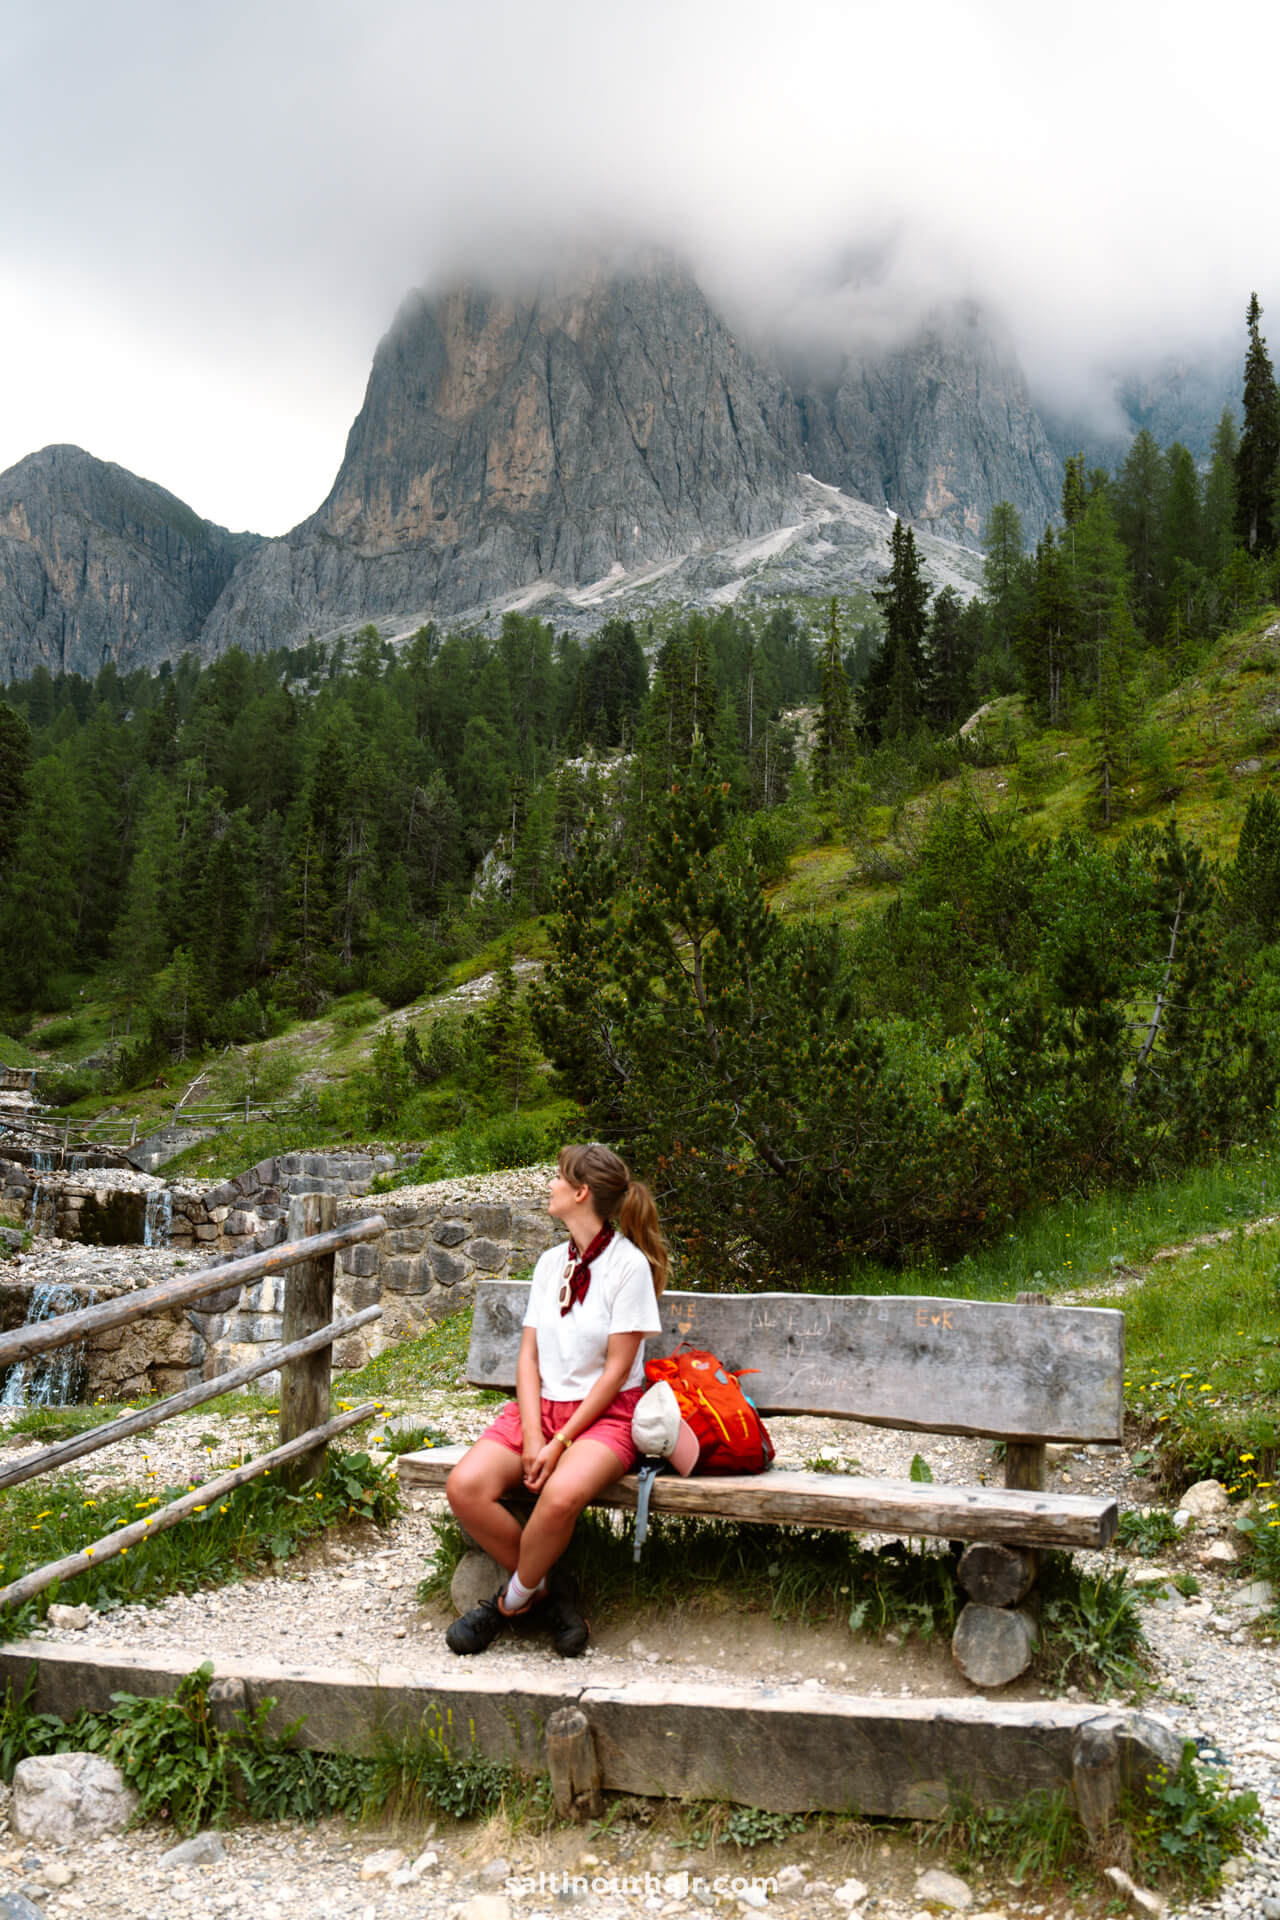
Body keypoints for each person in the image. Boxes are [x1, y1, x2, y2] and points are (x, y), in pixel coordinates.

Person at [444, 1142, 668, 1657]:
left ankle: (506, 1604)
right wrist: (536, 1433)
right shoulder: (550, 1264)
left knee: (560, 1497)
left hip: (605, 1416)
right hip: (541, 1409)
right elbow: (528, 1357)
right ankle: (548, 1589)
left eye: (557, 1178)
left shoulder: (627, 1268)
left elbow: (616, 1373)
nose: (550, 1185)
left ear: (581, 1193)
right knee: (465, 1488)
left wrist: (563, 1439)